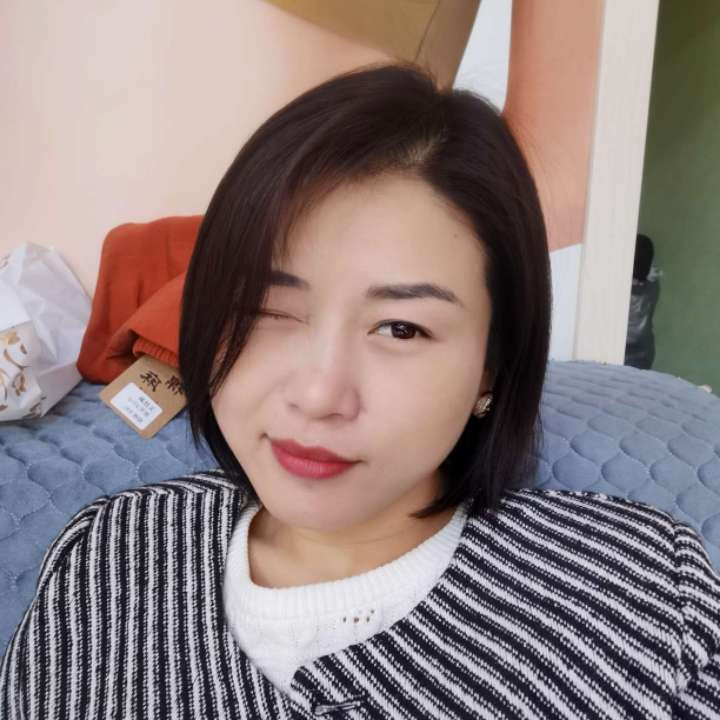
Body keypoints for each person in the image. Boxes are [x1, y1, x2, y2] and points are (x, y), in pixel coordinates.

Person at [2, 62, 719, 719]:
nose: (319, 395)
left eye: (401, 328)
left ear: (491, 366)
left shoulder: (645, 594)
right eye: (264, 310)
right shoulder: (109, 554)